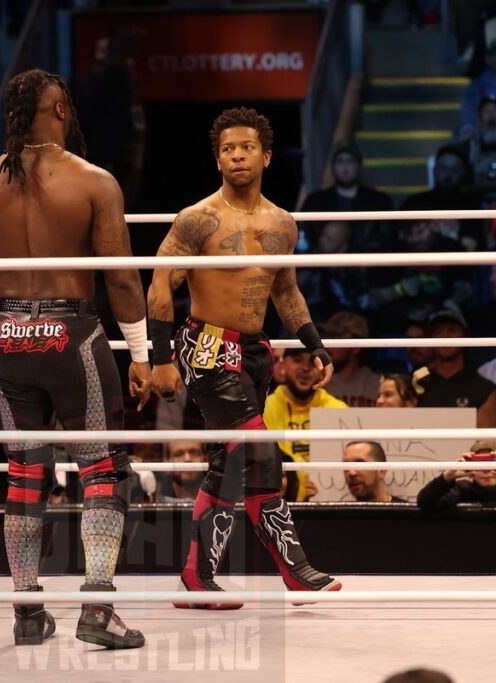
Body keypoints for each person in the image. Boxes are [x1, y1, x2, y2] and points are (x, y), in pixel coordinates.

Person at [0, 69, 148, 649]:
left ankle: (27, 610)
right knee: (102, 472)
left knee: (24, 475)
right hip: (73, 336)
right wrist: (140, 352)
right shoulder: (92, 181)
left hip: (10, 333)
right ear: (61, 109)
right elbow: (120, 275)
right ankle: (97, 608)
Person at [148, 106, 341, 608]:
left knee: (233, 463)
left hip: (255, 351)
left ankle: (197, 577)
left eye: (247, 147)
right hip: (207, 344)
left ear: (267, 156)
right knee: (258, 452)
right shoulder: (197, 218)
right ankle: (295, 569)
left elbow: (287, 292)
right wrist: (161, 355)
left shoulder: (283, 223)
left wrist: (314, 343)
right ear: (217, 160)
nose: (237, 155)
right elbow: (160, 285)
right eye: (228, 149)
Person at [264, 348, 347, 503]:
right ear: (282, 365)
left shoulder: (339, 411)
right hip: (280, 505)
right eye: (297, 359)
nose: (306, 368)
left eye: (313, 362)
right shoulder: (263, 410)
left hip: (329, 505)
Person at [415, 309, 496, 427]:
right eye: (438, 332)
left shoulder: (484, 390)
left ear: (464, 336)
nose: (445, 337)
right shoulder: (416, 385)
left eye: (452, 330)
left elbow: (487, 442)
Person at [321, 311, 381, 407]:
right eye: (326, 337)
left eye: (336, 337)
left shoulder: (378, 385)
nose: (327, 344)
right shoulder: (316, 382)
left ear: (356, 347)